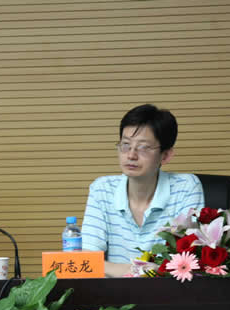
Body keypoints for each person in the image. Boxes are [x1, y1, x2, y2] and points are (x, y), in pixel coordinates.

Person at [81, 104, 204, 278]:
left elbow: (185, 261)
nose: (131, 155)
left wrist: (112, 269)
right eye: (125, 145)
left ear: (165, 155)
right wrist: (136, 271)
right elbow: (87, 261)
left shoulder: (186, 188)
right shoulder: (102, 189)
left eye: (143, 147)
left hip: (168, 292)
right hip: (113, 293)